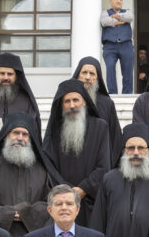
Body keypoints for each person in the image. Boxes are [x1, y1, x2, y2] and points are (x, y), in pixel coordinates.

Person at [0, 113, 60, 237]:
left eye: (25, 134)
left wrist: (25, 213)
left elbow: (50, 201)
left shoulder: (41, 169)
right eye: (15, 132)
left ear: (30, 138)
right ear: (5, 135)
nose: (20, 138)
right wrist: (6, 213)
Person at [42, 79, 111, 227]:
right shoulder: (54, 130)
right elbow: (49, 165)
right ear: (61, 105)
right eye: (67, 101)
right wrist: (66, 191)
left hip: (90, 202)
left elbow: (104, 165)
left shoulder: (100, 127)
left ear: (85, 101)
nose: (72, 105)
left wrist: (83, 189)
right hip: (61, 203)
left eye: (76, 100)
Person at [72, 56, 123, 161]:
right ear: (78, 75)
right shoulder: (68, 101)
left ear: (97, 78)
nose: (87, 77)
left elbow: (115, 138)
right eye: (84, 72)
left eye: (92, 74)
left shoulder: (107, 104)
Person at [100, 0, 135, 94]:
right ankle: (112, 94)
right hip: (110, 46)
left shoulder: (127, 11)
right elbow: (104, 21)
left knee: (128, 71)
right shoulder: (105, 12)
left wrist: (116, 17)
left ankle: (127, 94)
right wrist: (121, 21)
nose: (119, 1)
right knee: (110, 68)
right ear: (111, 0)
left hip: (126, 45)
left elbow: (130, 18)